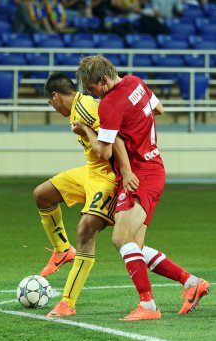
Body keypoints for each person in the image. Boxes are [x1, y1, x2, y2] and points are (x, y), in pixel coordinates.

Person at [75, 55, 210, 320]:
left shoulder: (110, 104)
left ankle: (148, 306)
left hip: (139, 176)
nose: (90, 93)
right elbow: (159, 109)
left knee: (120, 239)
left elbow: (103, 152)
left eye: (91, 87)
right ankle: (192, 283)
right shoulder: (136, 83)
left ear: (103, 80)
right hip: (154, 167)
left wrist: (85, 131)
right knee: (135, 245)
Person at [36, 72, 119, 317]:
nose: (53, 108)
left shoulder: (87, 109)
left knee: (85, 231)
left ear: (55, 96)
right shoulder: (77, 109)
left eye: (51, 104)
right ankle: (62, 250)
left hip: (108, 176)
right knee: (43, 195)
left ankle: (67, 303)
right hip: (90, 172)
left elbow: (112, 145)